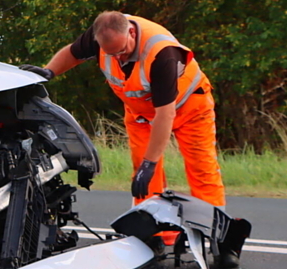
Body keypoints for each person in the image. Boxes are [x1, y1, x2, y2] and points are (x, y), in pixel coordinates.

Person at [24, 11, 226, 208]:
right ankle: (153, 233)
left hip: (189, 107)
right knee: (143, 176)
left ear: (132, 32)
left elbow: (166, 114)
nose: (119, 58)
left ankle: (215, 231)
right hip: (141, 115)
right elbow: (73, 53)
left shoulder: (163, 54)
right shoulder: (101, 34)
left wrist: (151, 162)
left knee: (202, 170)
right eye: (112, 54)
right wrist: (49, 71)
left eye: (122, 51)